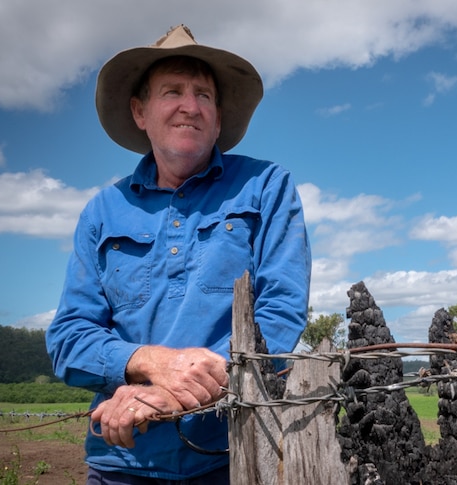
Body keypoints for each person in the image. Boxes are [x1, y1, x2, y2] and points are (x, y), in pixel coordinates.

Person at [45, 25, 311, 484]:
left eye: (204, 95)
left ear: (219, 117)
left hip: (234, 457)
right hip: (121, 462)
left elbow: (280, 311)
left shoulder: (267, 186)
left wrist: (183, 391)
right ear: (140, 111)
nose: (191, 106)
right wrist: (150, 363)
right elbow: (69, 337)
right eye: (172, 91)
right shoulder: (102, 211)